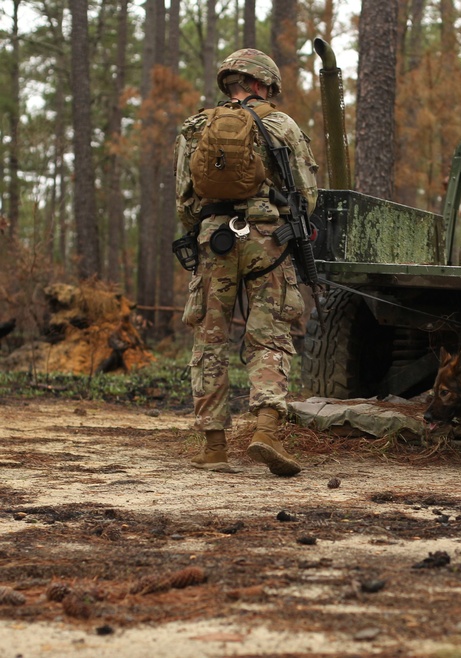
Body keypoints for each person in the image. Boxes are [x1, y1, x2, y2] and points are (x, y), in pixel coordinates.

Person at [174, 48, 319, 476]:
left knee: (210, 340)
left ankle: (214, 447)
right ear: (262, 84)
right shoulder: (282, 125)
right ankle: (266, 432)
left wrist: (202, 228)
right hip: (268, 241)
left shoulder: (197, 127)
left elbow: (185, 199)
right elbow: (307, 195)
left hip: (213, 240)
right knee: (270, 337)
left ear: (230, 84)